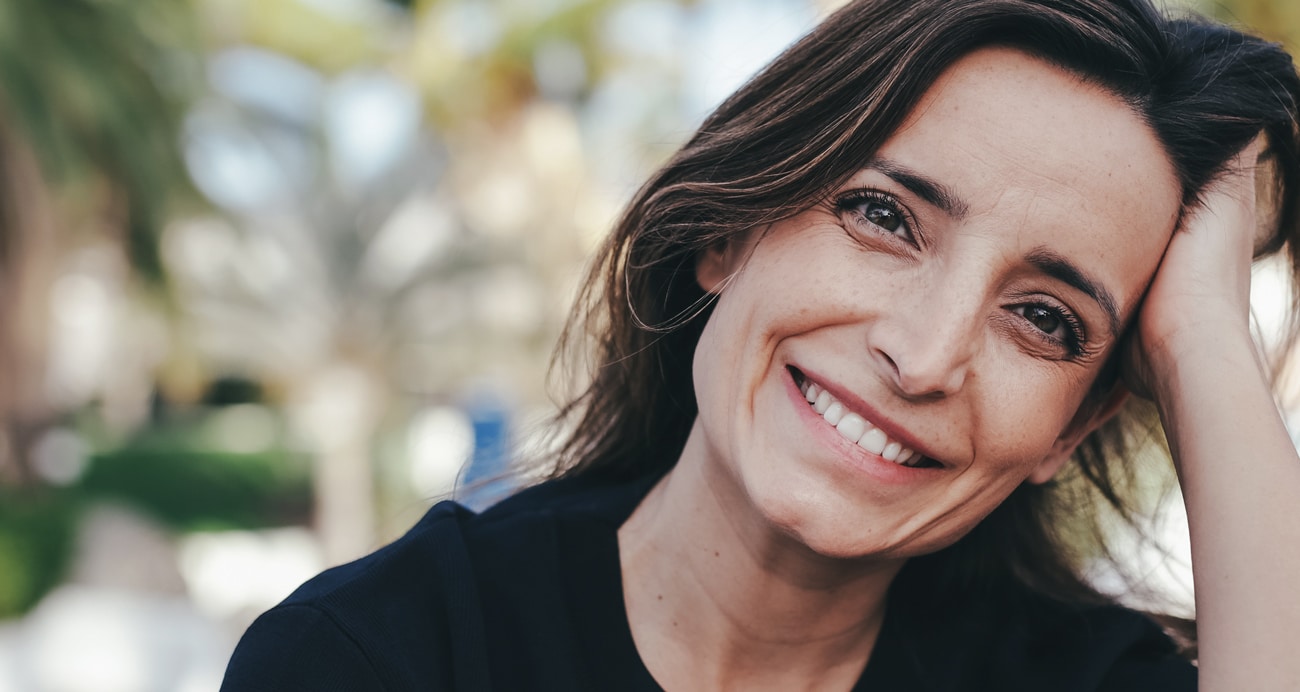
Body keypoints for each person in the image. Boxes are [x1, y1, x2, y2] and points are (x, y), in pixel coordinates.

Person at [220, 0, 1300, 689]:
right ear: (729, 230)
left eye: (1045, 318)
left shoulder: (1073, 678)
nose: (923, 356)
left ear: (1078, 422)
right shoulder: (382, 657)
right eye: (884, 217)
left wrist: (1205, 340)